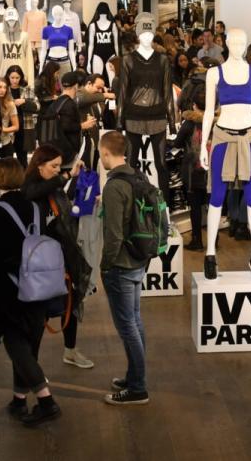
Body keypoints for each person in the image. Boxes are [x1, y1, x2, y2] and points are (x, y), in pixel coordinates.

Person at [0, 158, 61, 426]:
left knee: (15, 345)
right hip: (38, 286)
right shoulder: (35, 208)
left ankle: (47, 402)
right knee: (29, 344)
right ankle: (19, 399)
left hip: (7, 289)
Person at [23, 145, 94, 370]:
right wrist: (65, 175)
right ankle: (31, 364)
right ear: (39, 165)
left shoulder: (51, 186)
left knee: (70, 304)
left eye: (58, 166)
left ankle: (70, 350)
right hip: (41, 263)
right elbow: (32, 193)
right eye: (53, 166)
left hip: (64, 256)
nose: (56, 170)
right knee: (38, 314)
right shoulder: (30, 189)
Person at [99, 131, 150, 405]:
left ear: (106, 153)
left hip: (120, 264)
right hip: (139, 260)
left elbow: (114, 235)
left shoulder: (114, 187)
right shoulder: (138, 176)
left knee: (128, 326)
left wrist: (105, 265)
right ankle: (134, 377)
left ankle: (138, 387)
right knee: (135, 321)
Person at [172, 91, 208, 251]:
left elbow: (178, 144)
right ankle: (214, 240)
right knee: (212, 205)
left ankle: (197, 240)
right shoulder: (215, 122)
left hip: (193, 170)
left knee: (195, 207)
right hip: (213, 170)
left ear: (194, 105)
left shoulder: (188, 124)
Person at [49, 71, 95, 169]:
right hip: (67, 152)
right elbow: (65, 126)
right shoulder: (69, 104)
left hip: (55, 149)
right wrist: (83, 125)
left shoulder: (57, 102)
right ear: (76, 86)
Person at [76, 73, 114, 169]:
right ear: (89, 83)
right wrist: (105, 95)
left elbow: (101, 114)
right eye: (98, 87)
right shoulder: (80, 94)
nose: (100, 91)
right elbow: (82, 99)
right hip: (84, 140)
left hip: (96, 139)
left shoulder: (96, 97)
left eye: (102, 88)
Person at [6, 66, 38, 167]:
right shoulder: (4, 89)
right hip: (8, 127)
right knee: (8, 157)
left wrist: (24, 101)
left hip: (24, 127)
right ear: (8, 77)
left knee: (22, 157)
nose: (14, 80)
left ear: (21, 77)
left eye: (17, 77)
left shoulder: (27, 89)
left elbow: (37, 106)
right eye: (12, 77)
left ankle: (24, 179)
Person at [0, 76, 20, 154]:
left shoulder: (10, 104)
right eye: (0, 87)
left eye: (4, 87)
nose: (2, 90)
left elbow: (16, 126)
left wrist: (3, 129)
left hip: (5, 142)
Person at [36, 61, 61, 146]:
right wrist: (53, 98)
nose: (58, 75)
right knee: (45, 139)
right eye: (57, 72)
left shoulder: (50, 80)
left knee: (50, 138)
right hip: (43, 113)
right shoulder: (42, 80)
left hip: (49, 112)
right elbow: (39, 98)